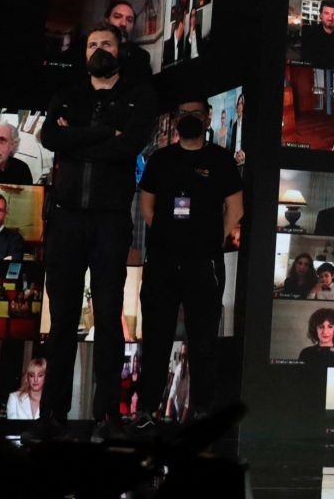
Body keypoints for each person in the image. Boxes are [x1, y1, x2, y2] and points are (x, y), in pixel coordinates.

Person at [30, 24, 155, 440]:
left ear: (120, 51)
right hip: (65, 220)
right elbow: (51, 137)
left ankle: (108, 417)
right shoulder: (69, 93)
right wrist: (103, 133)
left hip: (109, 221)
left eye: (106, 44)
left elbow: (128, 146)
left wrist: (76, 139)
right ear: (84, 53)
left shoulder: (139, 96)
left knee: (108, 317)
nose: (99, 50)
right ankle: (52, 416)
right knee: (62, 321)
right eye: (92, 45)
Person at [132, 96, 241, 433]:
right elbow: (146, 206)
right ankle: (146, 411)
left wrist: (212, 240)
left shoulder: (221, 160)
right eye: (184, 113)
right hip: (162, 261)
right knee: (155, 338)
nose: (189, 118)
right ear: (176, 118)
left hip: (204, 263)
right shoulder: (160, 159)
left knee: (204, 341)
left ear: (208, 118)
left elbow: (235, 209)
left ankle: (202, 412)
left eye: (195, 113)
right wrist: (169, 236)